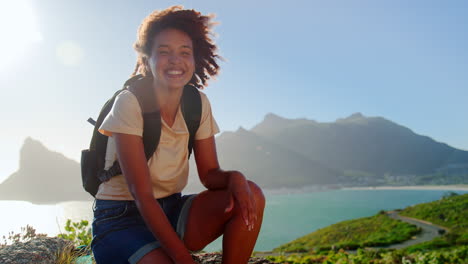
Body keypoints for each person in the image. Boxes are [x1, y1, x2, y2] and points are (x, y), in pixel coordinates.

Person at [91, 6, 265, 264]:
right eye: (164, 52)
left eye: (185, 52)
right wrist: (185, 260)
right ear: (147, 59)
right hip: (120, 218)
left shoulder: (197, 104)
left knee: (251, 194)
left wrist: (236, 179)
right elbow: (142, 195)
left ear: (195, 60)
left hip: (171, 209)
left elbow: (209, 175)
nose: (175, 60)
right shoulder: (130, 102)